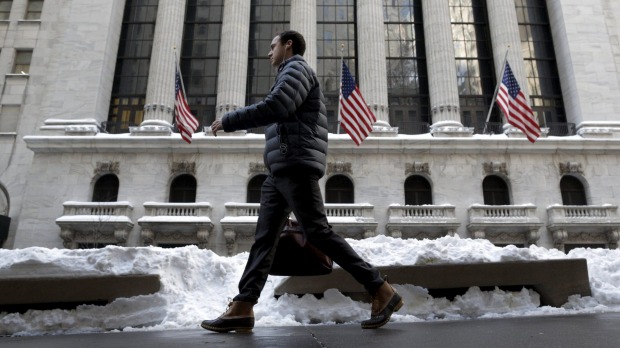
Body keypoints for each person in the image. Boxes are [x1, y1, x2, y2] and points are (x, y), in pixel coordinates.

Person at [202, 30, 403, 333]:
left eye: (273, 46)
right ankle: (243, 306)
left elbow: (277, 106)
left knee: (318, 233)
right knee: (265, 239)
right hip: (279, 169)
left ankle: (380, 288)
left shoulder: (296, 69)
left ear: (288, 45)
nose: (268, 53)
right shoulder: (287, 72)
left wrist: (230, 120)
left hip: (295, 165)